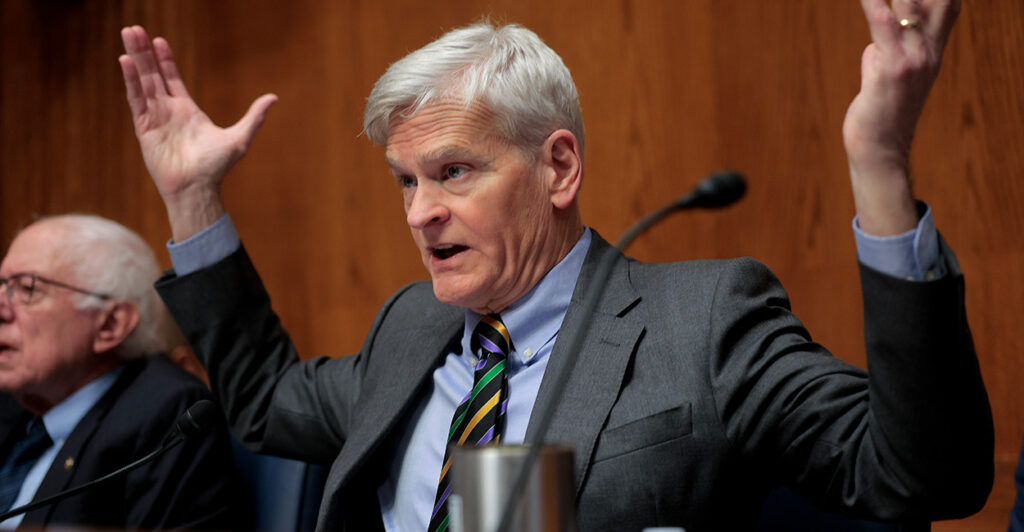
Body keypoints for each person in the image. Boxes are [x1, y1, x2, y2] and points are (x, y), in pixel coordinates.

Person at [118, 0, 993, 530]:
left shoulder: (705, 321)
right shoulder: (412, 329)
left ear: (559, 168)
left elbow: (922, 475)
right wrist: (193, 200)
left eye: (454, 171)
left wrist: (879, 165)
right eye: (405, 181)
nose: (421, 211)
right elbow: (267, 404)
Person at [0, 214, 234, 530]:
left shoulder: (166, 411)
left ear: (111, 324)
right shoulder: (13, 408)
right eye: (2, 286)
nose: (3, 307)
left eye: (27, 288)